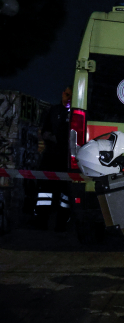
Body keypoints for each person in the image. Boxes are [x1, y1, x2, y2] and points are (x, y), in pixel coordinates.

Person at [34, 86, 72, 232]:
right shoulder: (53, 110)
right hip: (50, 157)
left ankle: (61, 224)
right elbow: (44, 132)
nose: (68, 98)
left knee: (65, 192)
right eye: (67, 95)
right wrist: (53, 138)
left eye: (71, 96)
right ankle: (41, 221)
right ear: (62, 94)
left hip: (66, 158)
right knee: (45, 190)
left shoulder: (76, 113)